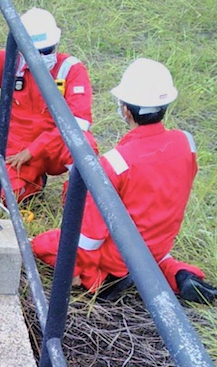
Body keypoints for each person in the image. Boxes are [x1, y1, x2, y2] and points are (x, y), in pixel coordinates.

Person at [32, 58, 217, 303]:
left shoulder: (115, 162)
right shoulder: (186, 143)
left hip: (118, 257)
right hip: (158, 244)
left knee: (43, 244)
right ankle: (181, 275)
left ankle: (101, 279)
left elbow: (89, 236)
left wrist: (74, 267)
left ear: (126, 111)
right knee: (155, 258)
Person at [0, 7, 94, 204]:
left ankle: (75, 205)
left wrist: (36, 149)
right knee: (9, 197)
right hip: (19, 151)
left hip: (56, 145)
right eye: (36, 51)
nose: (42, 56)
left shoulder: (71, 70)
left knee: (85, 146)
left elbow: (79, 123)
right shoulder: (13, 63)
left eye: (47, 50)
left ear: (56, 44)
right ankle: (33, 184)